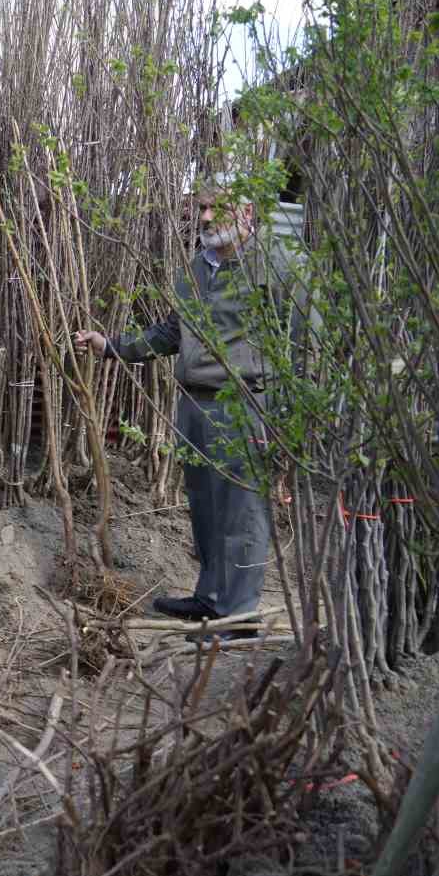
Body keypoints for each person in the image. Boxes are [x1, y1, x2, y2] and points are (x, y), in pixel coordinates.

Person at [73, 180, 287, 639]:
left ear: (246, 212)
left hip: (245, 404)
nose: (206, 219)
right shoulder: (197, 267)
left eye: (217, 209)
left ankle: (239, 614)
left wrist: (283, 418)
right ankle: (210, 598)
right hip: (194, 403)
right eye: (202, 208)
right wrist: (112, 346)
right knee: (205, 506)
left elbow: (300, 342)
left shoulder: (272, 267)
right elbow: (174, 332)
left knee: (242, 511)